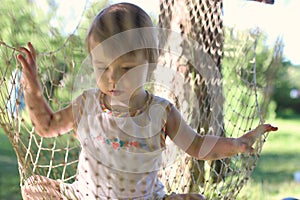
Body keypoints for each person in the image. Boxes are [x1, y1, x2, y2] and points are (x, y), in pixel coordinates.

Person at [17, 3, 278, 200]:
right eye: (101, 67)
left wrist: (237, 144)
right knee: (35, 189)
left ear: (151, 66)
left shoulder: (161, 112)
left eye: (126, 67)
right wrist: (32, 85)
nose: (113, 79)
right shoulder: (87, 104)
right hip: (86, 196)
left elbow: (197, 146)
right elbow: (46, 125)